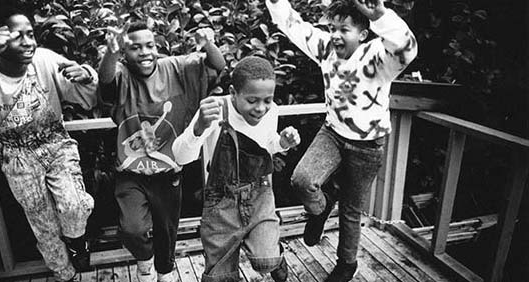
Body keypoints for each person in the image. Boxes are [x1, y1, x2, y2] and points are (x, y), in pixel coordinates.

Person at [266, 0, 418, 281]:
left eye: (343, 29)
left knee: (351, 208)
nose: (335, 34)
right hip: (333, 133)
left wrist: (381, 16)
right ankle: (321, 209)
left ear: (362, 33)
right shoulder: (326, 48)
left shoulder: (378, 57)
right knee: (302, 179)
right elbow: (294, 26)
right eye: (332, 28)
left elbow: (407, 48)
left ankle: (346, 264)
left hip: (368, 145)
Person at [0, 7, 98, 282]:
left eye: (31, 34)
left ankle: (77, 242)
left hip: (56, 143)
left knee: (75, 206)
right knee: (45, 227)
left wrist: (85, 73)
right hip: (18, 156)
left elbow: (85, 91)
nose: (28, 42)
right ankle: (66, 275)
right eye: (19, 36)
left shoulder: (45, 59)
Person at [98, 21, 225, 282]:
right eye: (135, 48)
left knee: (167, 231)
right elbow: (105, 80)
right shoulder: (122, 74)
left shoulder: (176, 68)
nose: (144, 52)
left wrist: (209, 43)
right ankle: (145, 263)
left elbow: (217, 65)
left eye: (150, 45)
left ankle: (165, 272)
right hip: (131, 173)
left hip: (168, 172)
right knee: (132, 229)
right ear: (125, 52)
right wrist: (110, 52)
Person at [172, 56, 301, 282]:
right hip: (221, 202)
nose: (261, 108)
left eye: (267, 100)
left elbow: (267, 144)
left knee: (266, 262)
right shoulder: (214, 109)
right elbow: (180, 156)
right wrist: (199, 127)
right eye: (252, 100)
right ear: (233, 93)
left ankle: (276, 256)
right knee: (220, 278)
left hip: (260, 195)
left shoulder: (272, 111)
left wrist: (282, 142)